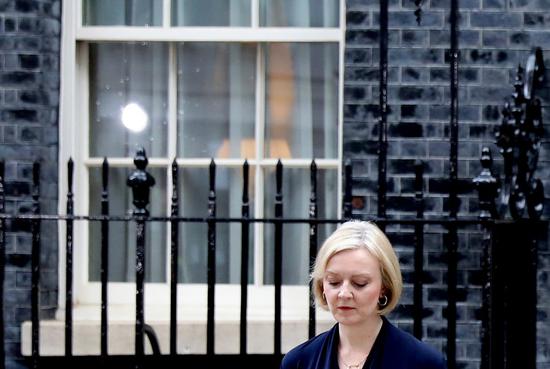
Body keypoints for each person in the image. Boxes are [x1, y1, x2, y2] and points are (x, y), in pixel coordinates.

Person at [281, 221, 447, 369]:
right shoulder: (299, 361)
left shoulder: (424, 363)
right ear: (321, 285)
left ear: (384, 287)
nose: (344, 294)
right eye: (334, 282)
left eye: (359, 283)